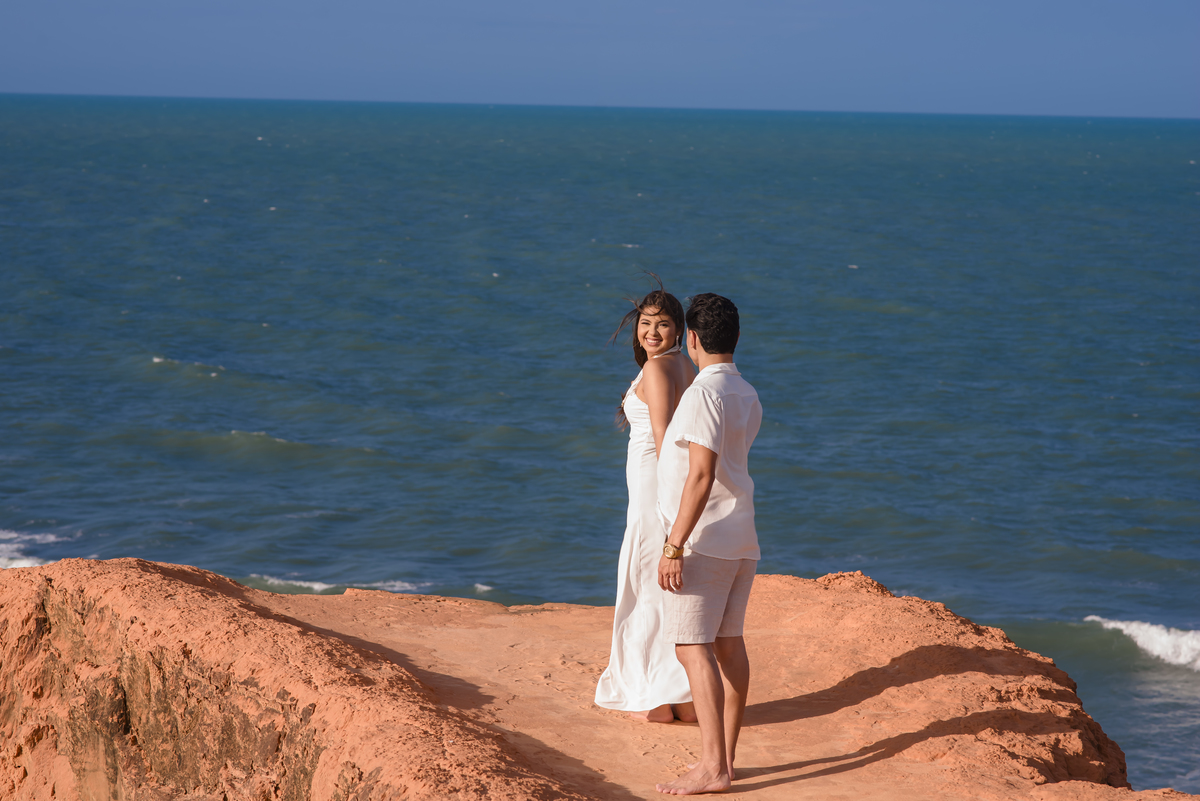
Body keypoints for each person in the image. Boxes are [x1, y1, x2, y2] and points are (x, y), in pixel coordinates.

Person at [654, 293, 762, 795]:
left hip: (706, 540)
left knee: (691, 646)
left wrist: (674, 545)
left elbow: (701, 475)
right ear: (735, 339)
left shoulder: (702, 394)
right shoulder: (746, 391)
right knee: (728, 645)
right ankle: (727, 762)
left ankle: (714, 767)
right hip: (741, 537)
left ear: (692, 338)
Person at [595, 283, 698, 724]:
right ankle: (681, 694)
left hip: (651, 495)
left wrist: (664, 508)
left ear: (679, 329)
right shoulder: (683, 367)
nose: (652, 331)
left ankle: (650, 696)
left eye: (663, 324)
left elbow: (662, 441)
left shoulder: (658, 371)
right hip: (662, 495)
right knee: (665, 593)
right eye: (645, 323)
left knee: (643, 587)